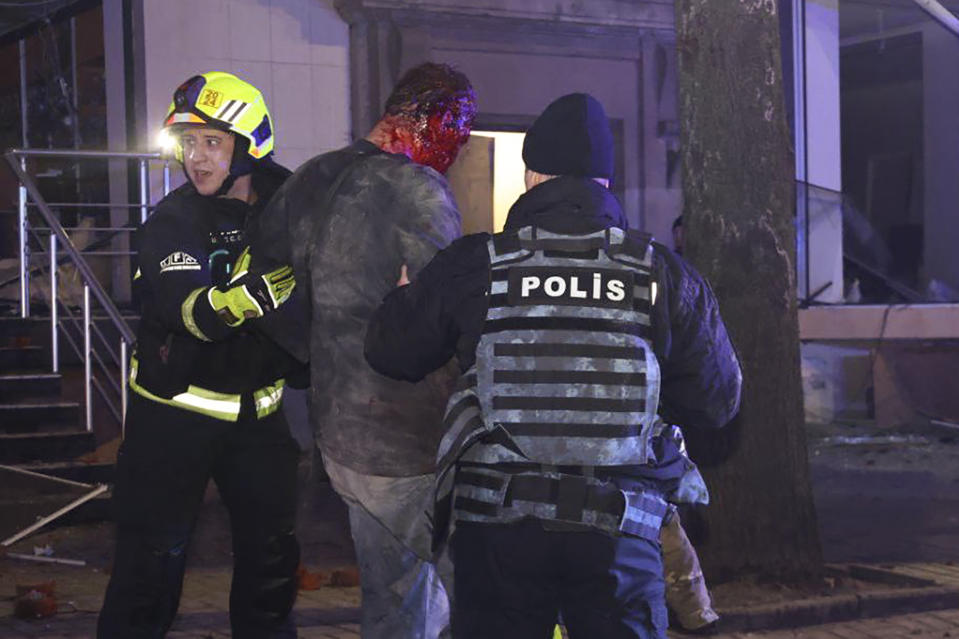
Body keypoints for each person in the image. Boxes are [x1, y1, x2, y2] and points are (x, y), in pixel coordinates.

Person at [363, 92, 742, 639]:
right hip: (620, 532)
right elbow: (718, 402)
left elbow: (390, 352)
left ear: (532, 176)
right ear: (606, 184)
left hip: (498, 530)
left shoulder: (478, 264)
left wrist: (402, 299)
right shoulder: (664, 273)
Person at [245, 62, 476, 638]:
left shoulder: (310, 177)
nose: (458, 152)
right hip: (412, 440)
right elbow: (444, 316)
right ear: (432, 121)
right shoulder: (416, 188)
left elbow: (260, 293)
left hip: (341, 435)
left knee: (392, 596)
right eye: (459, 137)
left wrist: (318, 353)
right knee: (480, 591)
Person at [98, 71, 304, 639]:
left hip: (259, 420)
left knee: (271, 569)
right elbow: (190, 311)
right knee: (150, 566)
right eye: (188, 144)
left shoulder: (291, 206)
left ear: (248, 146)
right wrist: (242, 299)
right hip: (173, 414)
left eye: (212, 142)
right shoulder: (173, 221)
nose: (197, 158)